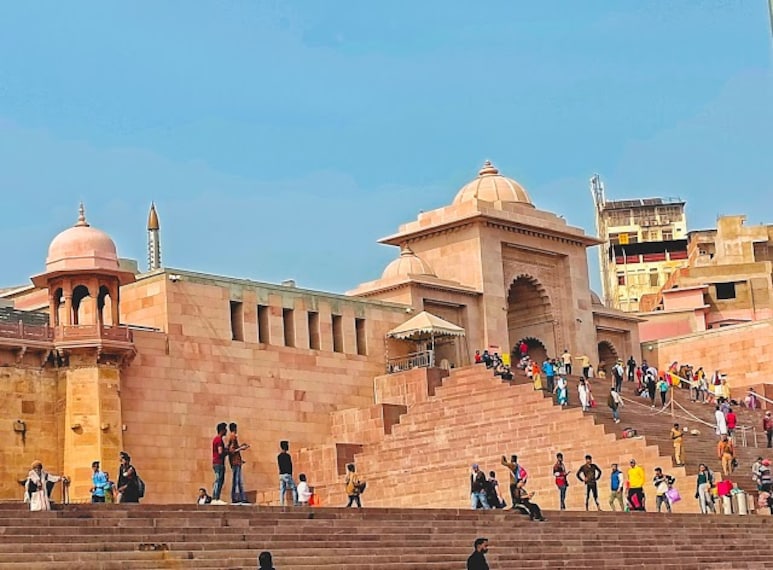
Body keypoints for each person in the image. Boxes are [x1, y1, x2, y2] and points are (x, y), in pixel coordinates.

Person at [227, 422, 250, 504]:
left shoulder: (231, 437)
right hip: (235, 462)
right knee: (237, 480)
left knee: (238, 480)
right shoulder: (233, 436)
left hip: (236, 461)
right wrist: (242, 448)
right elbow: (232, 450)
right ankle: (237, 497)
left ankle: (240, 497)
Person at [278, 440, 299, 506]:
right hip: (287, 474)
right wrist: (290, 474)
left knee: (282, 490)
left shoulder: (279, 456)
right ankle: (295, 503)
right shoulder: (287, 456)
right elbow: (289, 465)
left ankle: (281, 503)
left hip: (281, 474)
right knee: (294, 488)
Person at [212, 422, 228, 504]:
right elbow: (220, 452)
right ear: (222, 430)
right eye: (225, 429)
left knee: (218, 479)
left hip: (216, 462)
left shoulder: (216, 439)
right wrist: (228, 452)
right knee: (219, 480)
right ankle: (215, 498)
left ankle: (215, 497)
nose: (226, 431)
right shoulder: (219, 440)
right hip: (219, 462)